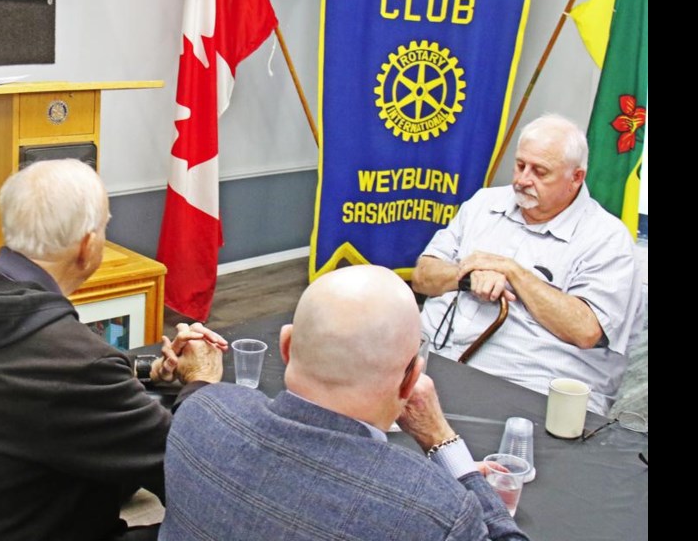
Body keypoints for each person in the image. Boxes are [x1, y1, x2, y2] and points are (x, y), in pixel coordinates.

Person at [0, 159, 226, 541]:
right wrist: (202, 382)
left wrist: (145, 370)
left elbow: (38, 378)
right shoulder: (76, 364)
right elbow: (196, 468)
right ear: (88, 245)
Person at [160, 265, 527, 540]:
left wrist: (200, 375)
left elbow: (204, 394)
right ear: (411, 379)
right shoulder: (438, 511)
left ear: (286, 347)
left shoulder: (199, 413)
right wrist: (443, 443)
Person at [411, 114, 643, 415]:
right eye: (520, 165)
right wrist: (466, 275)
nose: (522, 180)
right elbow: (422, 277)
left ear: (576, 178)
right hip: (432, 364)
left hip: (526, 388)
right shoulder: (484, 204)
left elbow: (586, 329)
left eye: (540, 172)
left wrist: (513, 272)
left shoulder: (607, 239)